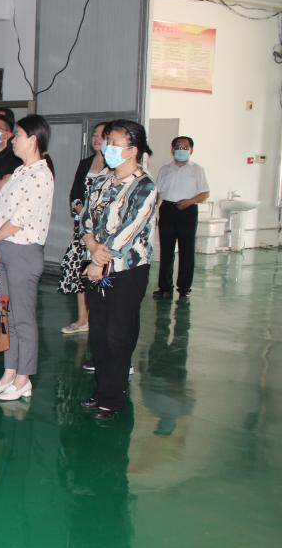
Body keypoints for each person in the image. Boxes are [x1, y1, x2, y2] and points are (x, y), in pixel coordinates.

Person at [80, 119, 158, 420]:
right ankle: (101, 389)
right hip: (96, 265)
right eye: (107, 141)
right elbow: (85, 220)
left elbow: (129, 231)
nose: (107, 147)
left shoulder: (145, 186)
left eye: (114, 143)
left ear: (133, 149)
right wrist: (91, 245)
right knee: (99, 332)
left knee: (118, 333)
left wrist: (99, 261)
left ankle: (113, 396)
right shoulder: (101, 181)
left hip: (126, 271)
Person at [0, 115, 55, 401]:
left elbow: (20, 218)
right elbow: (1, 213)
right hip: (3, 248)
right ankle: (9, 373)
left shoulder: (41, 175)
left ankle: (24, 378)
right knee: (7, 317)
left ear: (33, 140)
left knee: (23, 319)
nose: (13, 140)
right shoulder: (21, 171)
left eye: (19, 135)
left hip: (23, 251)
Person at [59, 122, 107, 334]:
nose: (97, 139)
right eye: (95, 134)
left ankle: (99, 319)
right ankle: (82, 319)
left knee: (100, 274)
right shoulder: (86, 162)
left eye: (102, 135)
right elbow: (75, 192)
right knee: (81, 271)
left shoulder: (115, 166)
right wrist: (79, 207)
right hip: (83, 227)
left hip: (103, 230)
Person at [153, 135, 209, 300]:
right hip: (167, 210)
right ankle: (165, 287)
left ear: (191, 150)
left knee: (187, 251)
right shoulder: (164, 169)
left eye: (185, 148)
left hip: (188, 211)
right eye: (178, 147)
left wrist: (190, 201)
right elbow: (157, 193)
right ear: (172, 149)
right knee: (166, 251)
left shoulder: (197, 170)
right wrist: (153, 213)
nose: (181, 150)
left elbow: (205, 193)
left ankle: (184, 288)